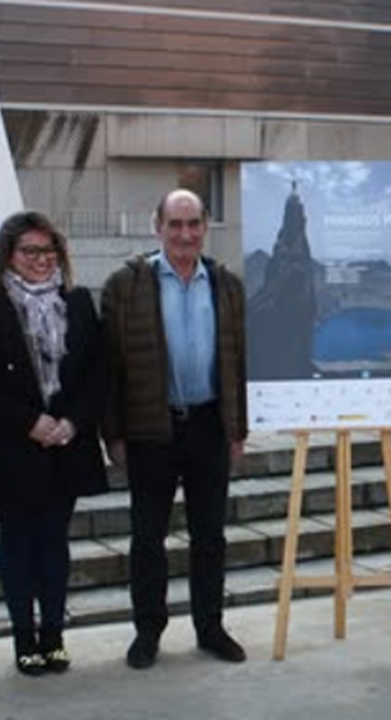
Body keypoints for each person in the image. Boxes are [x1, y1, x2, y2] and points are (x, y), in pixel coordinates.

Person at [0, 211, 109, 674]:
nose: (41, 260)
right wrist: (30, 421)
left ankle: (54, 637)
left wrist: (72, 422)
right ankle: (24, 637)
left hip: (65, 443)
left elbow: (98, 372)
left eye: (48, 251)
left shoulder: (78, 300)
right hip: (12, 442)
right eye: (30, 251)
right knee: (19, 541)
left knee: (54, 542)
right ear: (8, 254)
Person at [102, 189, 248, 670]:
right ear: (157, 227)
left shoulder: (225, 284)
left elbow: (238, 362)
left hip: (208, 425)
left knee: (211, 536)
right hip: (151, 429)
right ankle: (148, 631)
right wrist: (114, 434)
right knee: (148, 537)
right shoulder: (126, 284)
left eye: (193, 224)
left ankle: (211, 628)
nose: (184, 234)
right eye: (175, 224)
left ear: (206, 226)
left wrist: (236, 429)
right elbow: (111, 367)